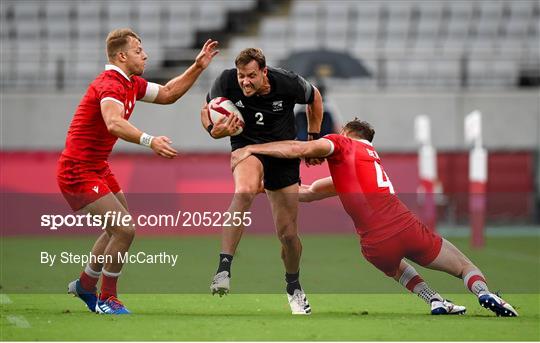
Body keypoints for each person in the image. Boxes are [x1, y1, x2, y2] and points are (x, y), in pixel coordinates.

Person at [230, 119, 519, 317]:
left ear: (345, 132)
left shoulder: (341, 144)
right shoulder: (371, 160)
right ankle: (483, 293)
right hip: (405, 226)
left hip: (373, 245)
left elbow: (302, 170)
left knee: (396, 268)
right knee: (464, 266)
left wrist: (252, 150)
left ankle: (434, 299)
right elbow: (311, 189)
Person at [57, 28, 218, 314]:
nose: (145, 55)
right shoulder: (110, 84)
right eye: (138, 50)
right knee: (124, 229)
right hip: (78, 170)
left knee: (117, 228)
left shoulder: (130, 82)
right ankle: (107, 298)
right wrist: (150, 140)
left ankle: (85, 284)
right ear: (121, 56)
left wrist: (197, 67)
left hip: (97, 166)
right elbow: (113, 122)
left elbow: (168, 93)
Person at [200, 48, 323, 315]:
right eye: (242, 76)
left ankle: (294, 287)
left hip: (282, 152)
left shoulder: (287, 82)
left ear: (264, 72)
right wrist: (213, 131)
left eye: (251, 76)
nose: (245, 81)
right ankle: (223, 268)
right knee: (244, 190)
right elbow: (206, 111)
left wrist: (313, 137)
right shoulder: (225, 80)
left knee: (288, 235)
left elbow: (315, 97)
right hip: (246, 147)